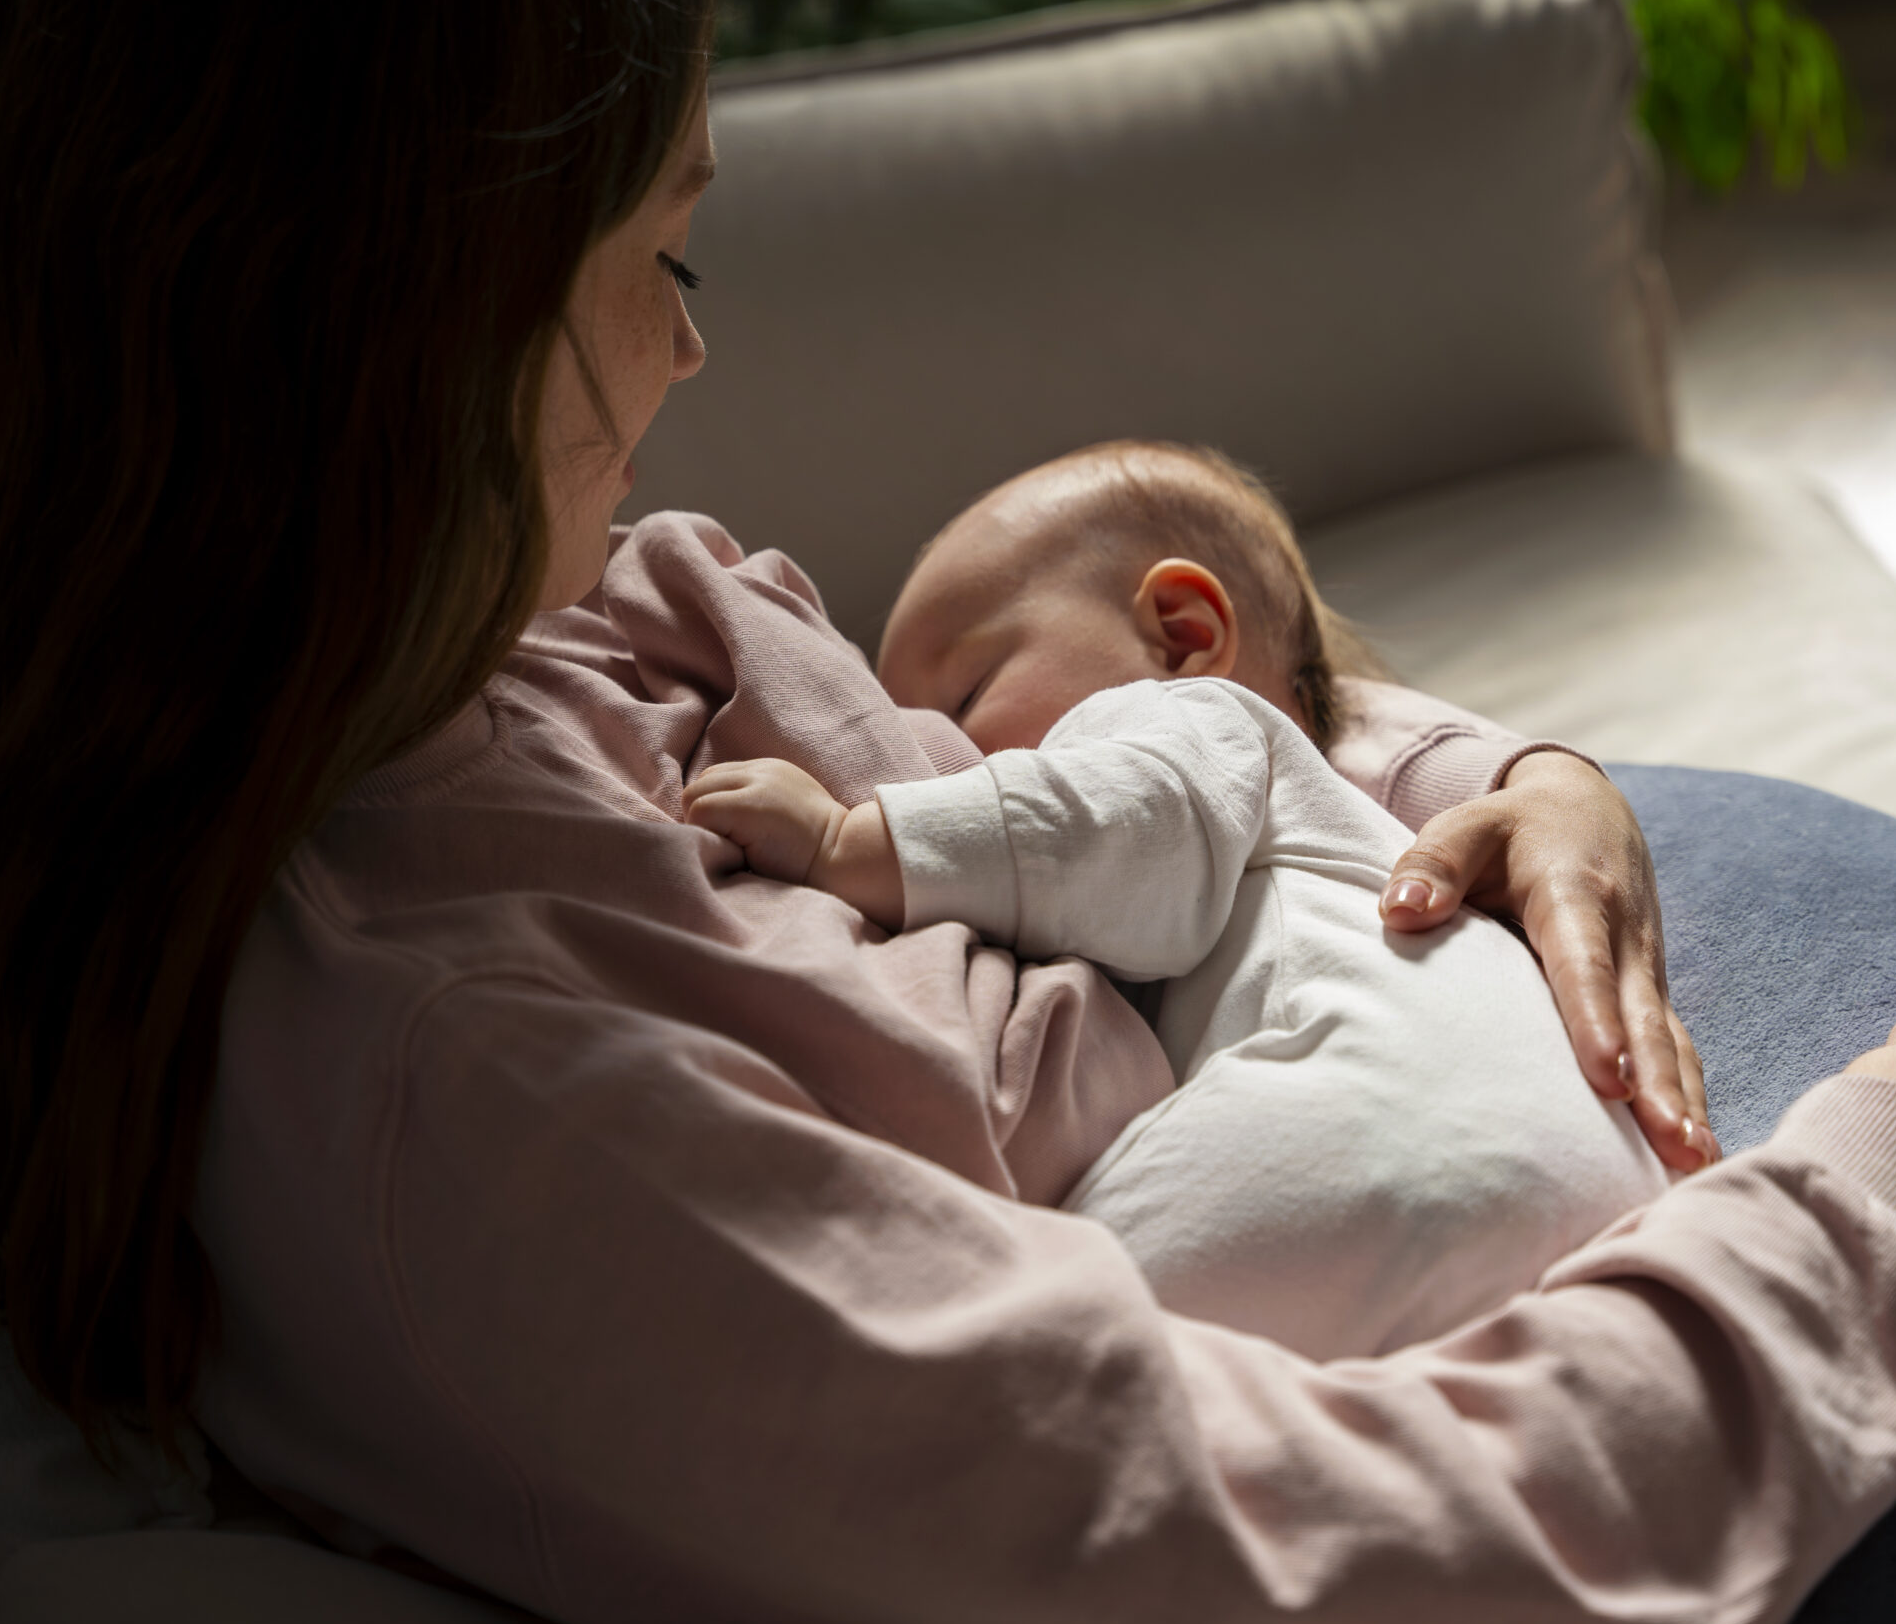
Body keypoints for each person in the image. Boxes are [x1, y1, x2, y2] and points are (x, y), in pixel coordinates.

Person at [0, 0, 1896, 1624]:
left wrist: (1490, 779)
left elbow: (1103, 749)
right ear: (405, 341)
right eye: (658, 257)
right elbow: (1302, 1549)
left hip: (1516, 1095)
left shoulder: (474, 656)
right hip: (1670, 1400)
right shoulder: (461, 1107)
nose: (695, 355)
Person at [682, 440, 1684, 1360]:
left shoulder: (1186, 718)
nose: (940, 756)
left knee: (1025, 1343)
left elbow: (1127, 822)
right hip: (1588, 1190)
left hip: (1365, 1136)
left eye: (963, 700)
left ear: (1180, 633)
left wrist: (844, 839)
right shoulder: (1327, 816)